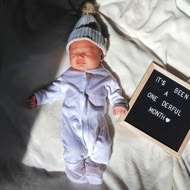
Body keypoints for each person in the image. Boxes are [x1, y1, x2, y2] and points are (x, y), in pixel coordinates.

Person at [29, 2, 128, 185]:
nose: (79, 56)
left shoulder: (105, 77)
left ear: (101, 55)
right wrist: (40, 96)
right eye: (74, 52)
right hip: (72, 128)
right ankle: (74, 168)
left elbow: (115, 92)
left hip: (97, 127)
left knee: (103, 146)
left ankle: (96, 167)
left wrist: (120, 104)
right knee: (73, 150)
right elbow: (55, 89)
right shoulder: (69, 76)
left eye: (87, 51)